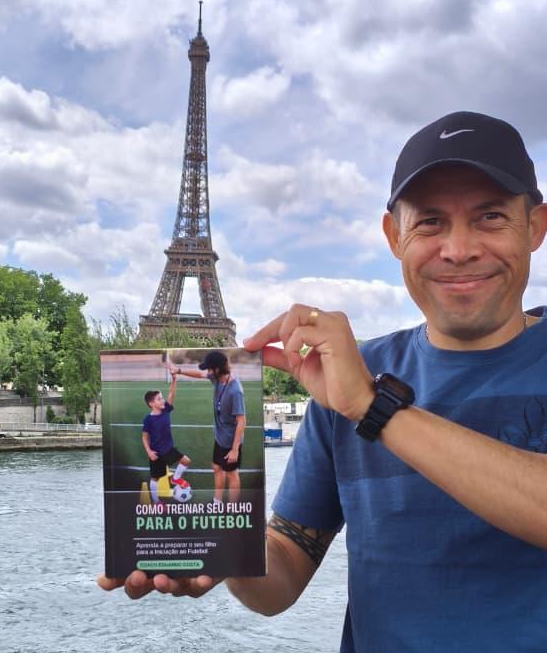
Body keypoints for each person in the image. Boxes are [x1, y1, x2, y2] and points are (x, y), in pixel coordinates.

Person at [99, 111, 547, 651]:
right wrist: (225, 548)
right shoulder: (346, 382)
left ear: (536, 227)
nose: (458, 249)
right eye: (429, 221)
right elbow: (285, 569)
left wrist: (374, 409)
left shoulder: (356, 390)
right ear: (394, 236)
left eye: (490, 217)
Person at [171, 350, 246, 503]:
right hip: (220, 436)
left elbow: (242, 420)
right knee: (217, 467)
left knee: (232, 474)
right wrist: (178, 370)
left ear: (217, 369)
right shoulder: (218, 378)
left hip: (230, 441)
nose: (207, 371)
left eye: (209, 368)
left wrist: (234, 450)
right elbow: (199, 374)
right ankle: (217, 503)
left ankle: (233, 510)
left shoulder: (235, 390)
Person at [142, 372, 191, 503]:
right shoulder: (148, 419)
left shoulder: (165, 410)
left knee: (186, 461)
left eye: (161, 398)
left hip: (168, 449)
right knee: (155, 479)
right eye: (159, 399)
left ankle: (175, 478)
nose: (162, 400)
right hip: (156, 454)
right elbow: (145, 437)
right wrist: (149, 452)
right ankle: (157, 502)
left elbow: (171, 395)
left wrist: (174, 380)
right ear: (151, 404)